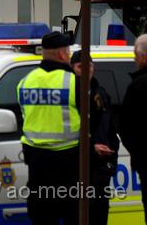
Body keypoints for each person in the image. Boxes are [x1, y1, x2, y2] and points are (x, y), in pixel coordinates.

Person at [17, 31, 80, 225]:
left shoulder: (25, 82)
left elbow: (25, 118)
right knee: (73, 217)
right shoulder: (72, 82)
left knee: (42, 218)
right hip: (68, 163)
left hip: (37, 165)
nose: (69, 55)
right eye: (68, 51)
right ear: (62, 54)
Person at [69, 50, 119, 225]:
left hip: (100, 174)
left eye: (89, 66)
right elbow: (69, 134)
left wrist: (110, 164)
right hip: (78, 174)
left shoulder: (102, 95)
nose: (86, 70)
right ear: (73, 69)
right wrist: (92, 148)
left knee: (99, 217)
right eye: (80, 66)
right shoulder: (70, 96)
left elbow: (112, 133)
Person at [118, 34, 147, 223]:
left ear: (143, 57)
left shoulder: (138, 86)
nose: (134, 59)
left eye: (135, 55)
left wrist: (140, 154)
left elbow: (125, 126)